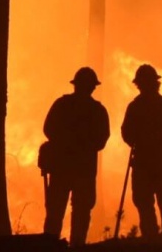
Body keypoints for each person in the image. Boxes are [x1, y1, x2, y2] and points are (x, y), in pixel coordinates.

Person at [41, 67, 111, 245]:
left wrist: (64, 143)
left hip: (63, 168)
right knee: (80, 212)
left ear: (76, 85)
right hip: (84, 169)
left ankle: (49, 245)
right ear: (92, 87)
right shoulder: (98, 111)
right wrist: (84, 145)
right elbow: (102, 140)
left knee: (56, 212)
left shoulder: (62, 105)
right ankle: (76, 245)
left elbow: (48, 129)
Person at [120, 64, 162, 239]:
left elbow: (126, 133)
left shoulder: (135, 107)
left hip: (145, 163)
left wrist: (139, 142)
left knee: (146, 205)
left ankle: (151, 241)